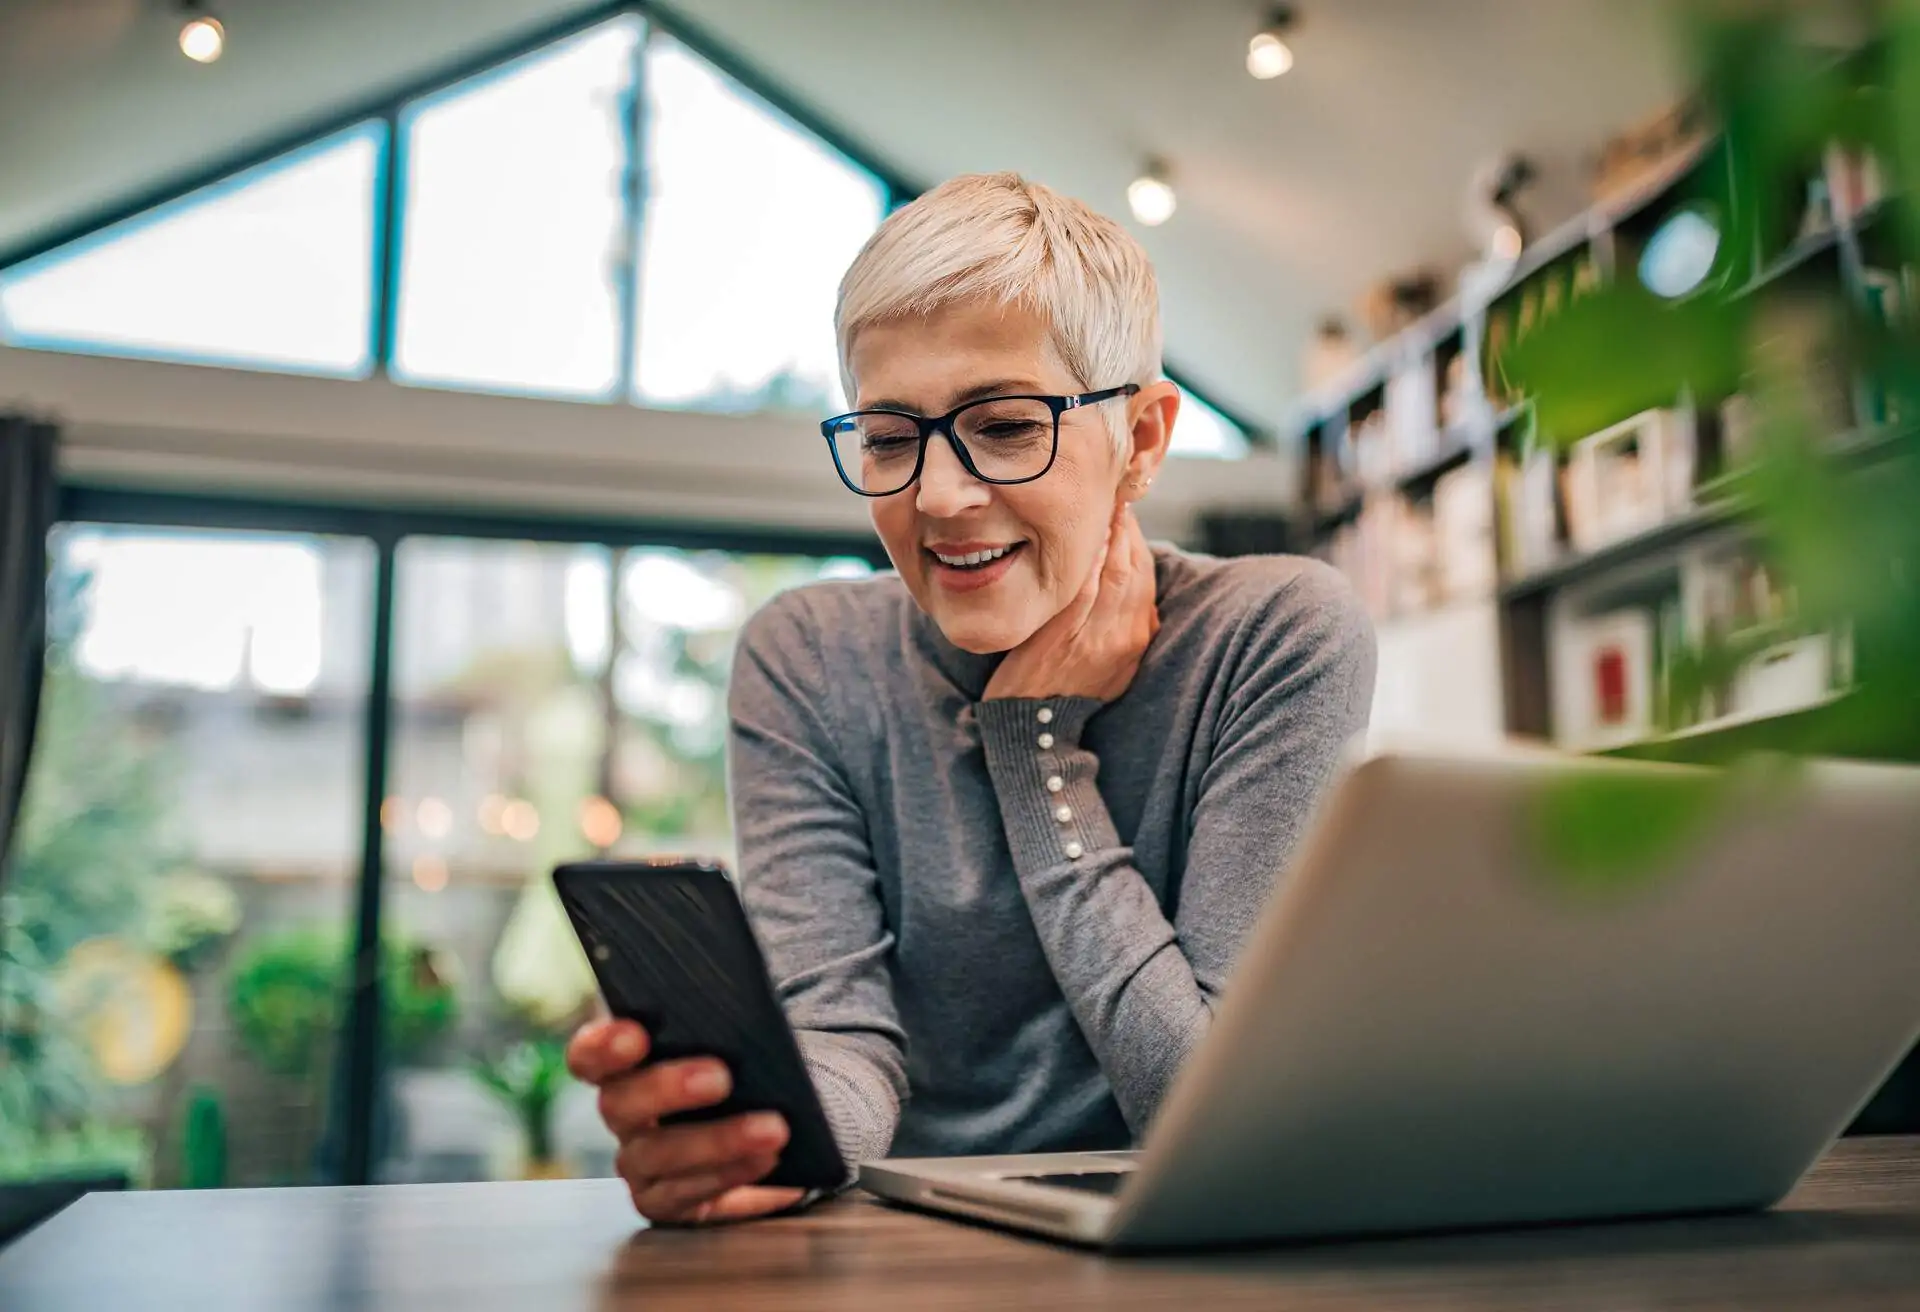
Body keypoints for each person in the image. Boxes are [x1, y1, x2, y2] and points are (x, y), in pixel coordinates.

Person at [568, 172, 1376, 1223]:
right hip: (906, 1255)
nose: (939, 497)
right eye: (891, 438)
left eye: (1003, 425)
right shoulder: (809, 658)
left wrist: (1034, 746)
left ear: (1141, 440)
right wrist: (762, 1130)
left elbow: (1208, 1109)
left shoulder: (1275, 637)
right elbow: (846, 1046)